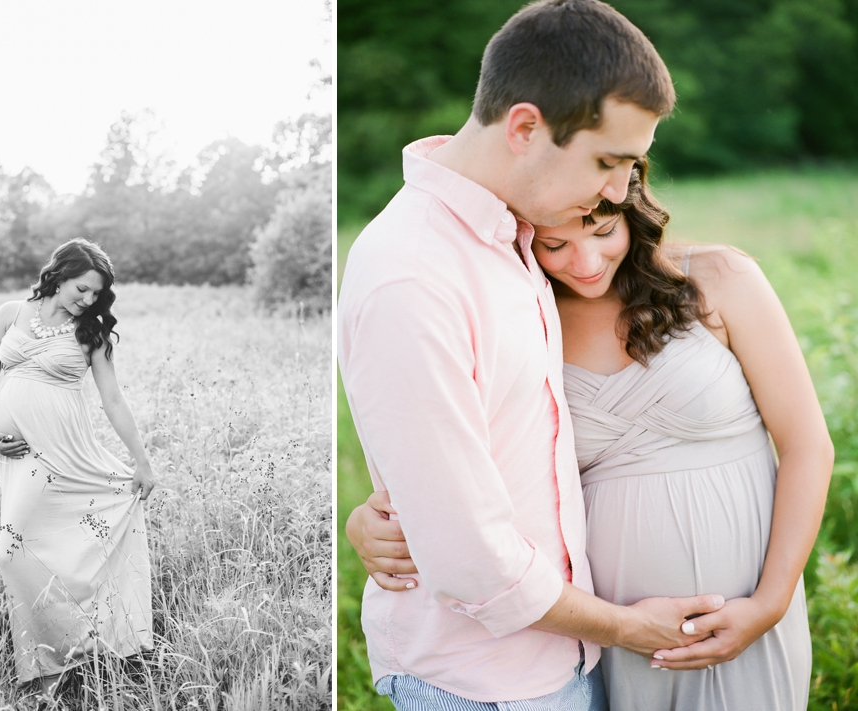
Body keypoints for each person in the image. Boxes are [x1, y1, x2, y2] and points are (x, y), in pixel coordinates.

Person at [337, 1, 734, 708]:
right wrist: (628, 628)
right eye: (608, 162)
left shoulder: (515, 238)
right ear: (524, 127)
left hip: (560, 665)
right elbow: (472, 562)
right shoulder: (414, 273)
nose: (618, 191)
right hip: (480, 684)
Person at [348, 158, 833, 709]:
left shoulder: (720, 278)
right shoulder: (531, 319)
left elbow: (807, 446)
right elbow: (473, 455)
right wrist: (374, 518)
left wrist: (770, 602)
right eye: (555, 246)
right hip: (615, 629)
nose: (585, 262)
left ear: (634, 211)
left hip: (749, 607)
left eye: (604, 231)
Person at [0, 238, 156, 698]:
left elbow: (112, 399)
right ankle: (52, 659)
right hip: (20, 458)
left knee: (23, 552)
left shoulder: (90, 332)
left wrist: (142, 461)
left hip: (68, 457)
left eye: (96, 294)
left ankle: (65, 656)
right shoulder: (9, 313)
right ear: (58, 275)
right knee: (18, 552)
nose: (88, 300)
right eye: (82, 288)